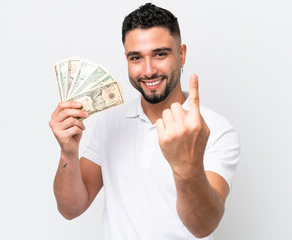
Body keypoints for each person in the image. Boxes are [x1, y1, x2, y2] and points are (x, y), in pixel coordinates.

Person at [49, 3, 239, 239]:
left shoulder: (215, 129)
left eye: (160, 54)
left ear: (181, 54)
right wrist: (68, 152)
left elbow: (203, 226)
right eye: (136, 57)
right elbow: (71, 209)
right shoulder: (109, 122)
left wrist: (185, 167)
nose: (148, 70)